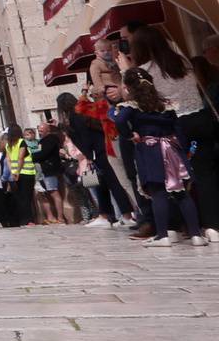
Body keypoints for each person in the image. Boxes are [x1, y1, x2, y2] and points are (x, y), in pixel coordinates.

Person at [125, 23, 219, 241]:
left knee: (172, 177)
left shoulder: (144, 72)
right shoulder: (181, 62)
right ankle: (212, 226)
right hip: (199, 121)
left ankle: (176, 227)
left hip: (173, 128)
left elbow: (137, 100)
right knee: (204, 173)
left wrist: (125, 70)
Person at [112, 68, 203, 247]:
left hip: (150, 150)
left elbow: (120, 121)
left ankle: (162, 235)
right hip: (172, 149)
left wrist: (130, 135)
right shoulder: (165, 105)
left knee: (158, 193)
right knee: (182, 193)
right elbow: (178, 130)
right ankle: (195, 235)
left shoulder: (132, 106)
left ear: (129, 88)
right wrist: (184, 151)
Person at [59, 91, 133, 227]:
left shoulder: (75, 117)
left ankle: (125, 214)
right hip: (99, 152)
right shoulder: (86, 113)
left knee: (111, 183)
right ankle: (105, 215)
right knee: (101, 185)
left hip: (93, 155)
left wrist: (89, 155)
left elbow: (84, 138)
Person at [34, 118, 73, 225]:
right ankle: (53, 217)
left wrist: (31, 156)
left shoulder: (51, 139)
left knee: (54, 191)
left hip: (83, 169)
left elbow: (43, 153)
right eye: (39, 129)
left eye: (42, 129)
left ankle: (61, 218)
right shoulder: (43, 140)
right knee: (45, 193)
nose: (40, 131)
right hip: (45, 171)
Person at [3, 123, 38, 227]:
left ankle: (23, 220)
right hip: (26, 172)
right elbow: (21, 158)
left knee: (20, 198)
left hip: (14, 174)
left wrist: (13, 172)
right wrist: (18, 172)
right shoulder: (21, 142)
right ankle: (29, 220)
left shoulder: (8, 144)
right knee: (26, 197)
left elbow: (8, 160)